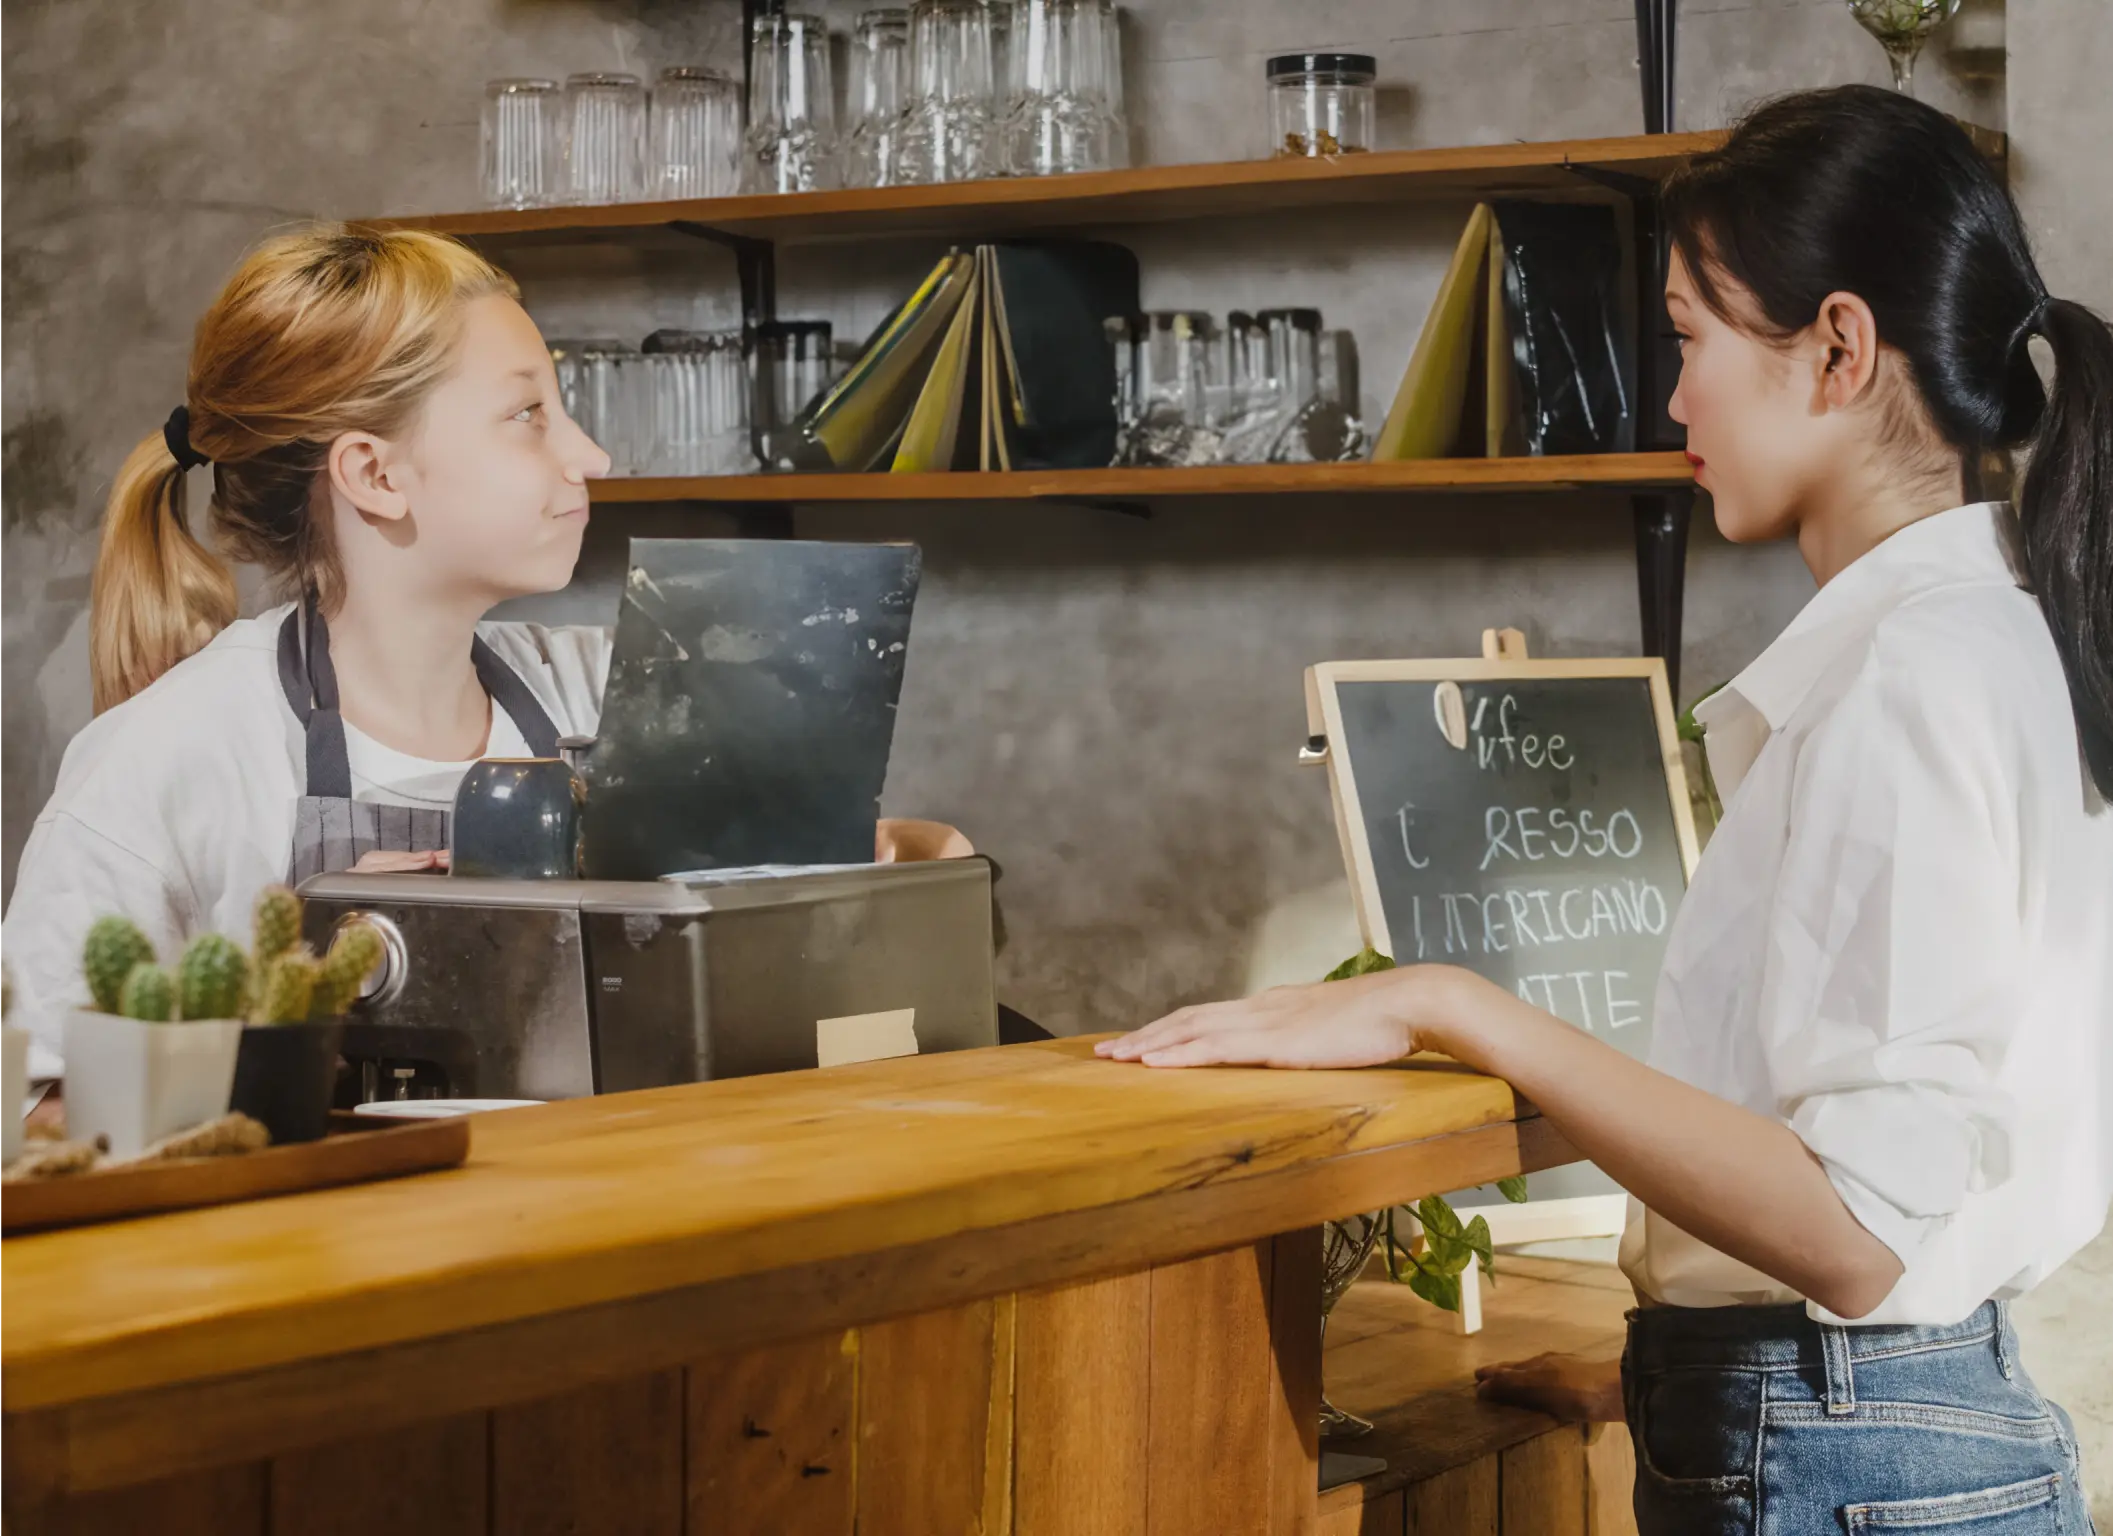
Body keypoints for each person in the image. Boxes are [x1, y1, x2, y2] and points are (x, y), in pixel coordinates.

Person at [1101, 85, 2113, 1534]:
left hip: (1840, 1445)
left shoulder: (1908, 673)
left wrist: (1453, 1003)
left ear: (1836, 348)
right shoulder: (2011, 629)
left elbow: (1856, 1234)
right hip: (1905, 1433)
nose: (1672, 396)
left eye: (1690, 341)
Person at [0, 225, 958, 1091]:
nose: (592, 456)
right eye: (528, 415)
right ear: (376, 474)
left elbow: (887, 908)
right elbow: (39, 1112)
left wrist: (896, 855)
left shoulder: (618, 688)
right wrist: (302, 1003)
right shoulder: (170, 756)